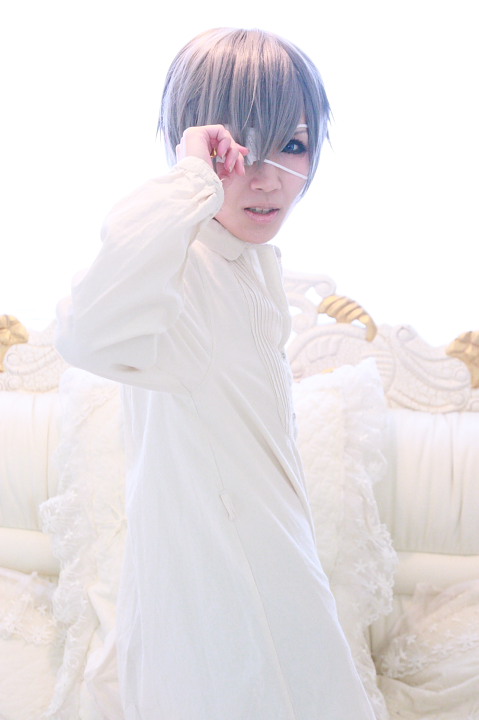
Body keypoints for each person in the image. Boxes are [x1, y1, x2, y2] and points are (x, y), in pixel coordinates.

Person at [56, 26, 376, 720]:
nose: (267, 178)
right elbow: (86, 332)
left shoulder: (247, 266)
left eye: (292, 145)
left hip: (276, 580)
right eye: (237, 149)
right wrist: (189, 182)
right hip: (218, 614)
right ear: (198, 150)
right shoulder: (181, 270)